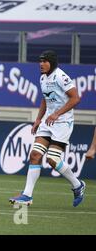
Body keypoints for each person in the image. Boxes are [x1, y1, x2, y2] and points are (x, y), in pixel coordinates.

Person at [9, 50, 86, 207]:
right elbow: (45, 99)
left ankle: (78, 185)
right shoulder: (43, 78)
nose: (41, 64)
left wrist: (57, 114)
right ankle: (27, 196)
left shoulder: (61, 77)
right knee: (35, 154)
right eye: (40, 61)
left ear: (52, 62)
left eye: (45, 61)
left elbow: (76, 98)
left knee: (52, 159)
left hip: (63, 123)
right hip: (47, 122)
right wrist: (38, 119)